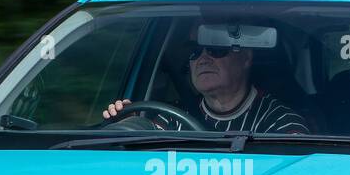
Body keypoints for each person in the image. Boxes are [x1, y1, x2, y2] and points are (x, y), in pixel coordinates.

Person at [103, 29, 309, 134]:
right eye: (195, 52)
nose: (202, 59)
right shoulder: (172, 118)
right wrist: (128, 125)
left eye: (216, 49)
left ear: (246, 58)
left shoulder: (280, 121)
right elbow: (142, 164)